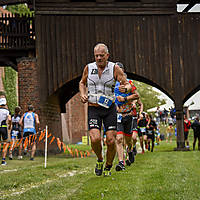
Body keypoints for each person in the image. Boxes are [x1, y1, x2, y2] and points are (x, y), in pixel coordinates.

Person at [79, 43, 133, 177]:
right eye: (96, 56)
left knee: (110, 140)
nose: (98, 58)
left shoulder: (114, 68)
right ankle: (100, 160)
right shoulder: (89, 67)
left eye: (101, 56)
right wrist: (82, 94)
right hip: (93, 108)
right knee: (95, 138)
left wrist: (125, 89)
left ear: (107, 55)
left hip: (109, 109)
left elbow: (127, 84)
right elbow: (82, 82)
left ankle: (108, 166)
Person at [114, 62, 140, 171]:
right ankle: (121, 162)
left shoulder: (129, 83)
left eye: (119, 70)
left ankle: (130, 150)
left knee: (128, 140)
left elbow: (137, 95)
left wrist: (125, 99)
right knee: (119, 139)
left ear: (123, 71)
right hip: (117, 116)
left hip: (128, 115)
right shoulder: (111, 83)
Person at [0, 93, 11, 165]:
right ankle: (3, 160)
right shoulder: (7, 111)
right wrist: (9, 125)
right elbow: (9, 119)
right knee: (5, 143)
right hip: (4, 128)